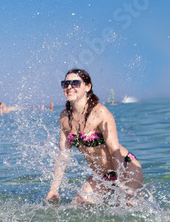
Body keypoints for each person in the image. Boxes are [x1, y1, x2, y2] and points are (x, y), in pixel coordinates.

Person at [45, 69, 143, 205]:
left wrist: (121, 182)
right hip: (103, 175)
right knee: (77, 207)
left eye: (75, 83)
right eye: (65, 83)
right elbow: (63, 155)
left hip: (125, 167)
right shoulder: (64, 117)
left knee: (127, 208)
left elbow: (114, 149)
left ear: (87, 87)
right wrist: (54, 189)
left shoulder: (100, 112)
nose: (69, 87)